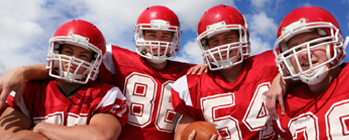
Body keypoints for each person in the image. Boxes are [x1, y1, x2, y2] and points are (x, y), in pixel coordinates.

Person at [0, 5, 207, 140]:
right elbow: (71, 67)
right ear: (138, 34)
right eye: (151, 34)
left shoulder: (191, 73)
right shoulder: (113, 57)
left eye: (165, 36)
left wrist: (210, 70)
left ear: (176, 38)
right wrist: (23, 70)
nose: (157, 42)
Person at [271, 6, 349, 139]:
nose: (304, 53)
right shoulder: (286, 108)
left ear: (333, 45)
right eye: (294, 49)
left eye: (313, 42)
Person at [0, 19, 128, 139]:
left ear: (94, 61)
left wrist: (42, 127)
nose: (73, 60)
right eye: (68, 52)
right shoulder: (30, 89)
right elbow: (7, 136)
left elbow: (99, 136)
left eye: (83, 55)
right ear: (57, 52)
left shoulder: (106, 95)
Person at [171, 4, 278, 140]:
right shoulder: (194, 84)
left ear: (242, 37)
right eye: (214, 41)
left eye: (228, 38)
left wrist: (281, 78)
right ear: (205, 46)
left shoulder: (270, 65)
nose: (222, 46)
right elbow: (180, 136)